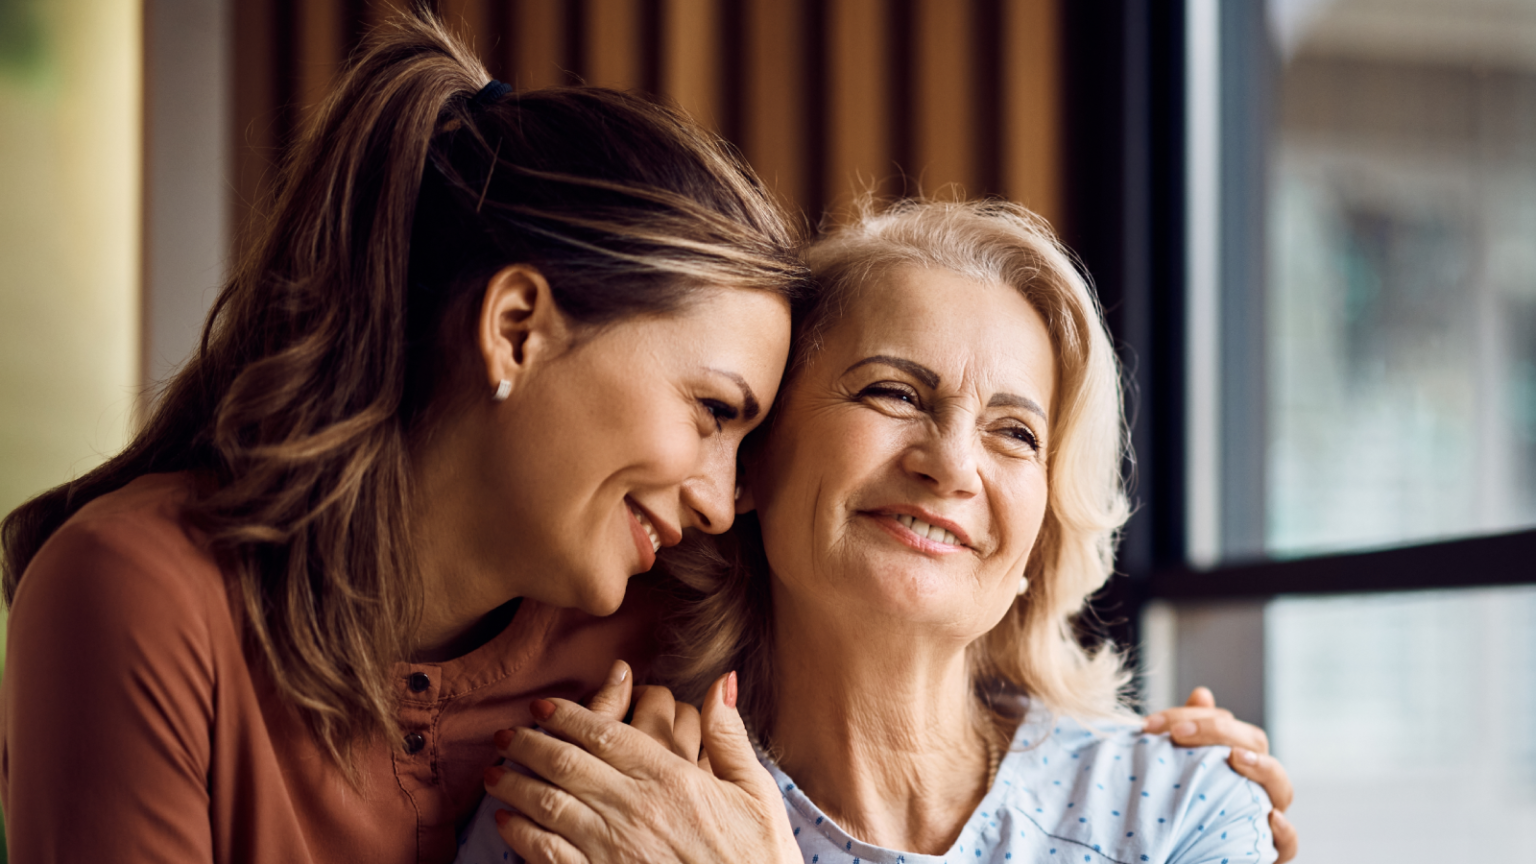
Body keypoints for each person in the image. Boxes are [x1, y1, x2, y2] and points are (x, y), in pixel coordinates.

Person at [0, 15, 807, 863]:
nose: (719, 504)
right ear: (517, 329)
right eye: (713, 412)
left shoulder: (660, 653)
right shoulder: (144, 597)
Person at [463, 200, 1297, 864]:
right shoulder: (595, 803)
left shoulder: (1185, 808)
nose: (953, 465)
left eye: (1015, 432)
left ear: (1037, 544)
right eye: (893, 394)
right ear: (752, 461)